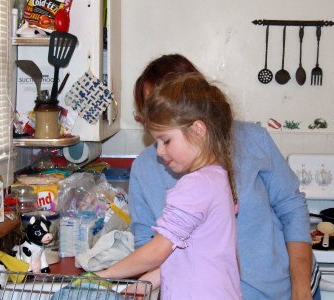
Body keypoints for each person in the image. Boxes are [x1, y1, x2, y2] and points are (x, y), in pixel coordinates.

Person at [129, 54, 321, 300]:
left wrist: (301, 288)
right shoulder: (145, 168)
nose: (164, 112)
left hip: (282, 290)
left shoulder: (252, 139)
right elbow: (148, 244)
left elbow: (291, 207)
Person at [97, 73, 242, 299]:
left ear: (198, 130)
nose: (159, 151)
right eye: (156, 142)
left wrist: (104, 275)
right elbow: (188, 255)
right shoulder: (218, 178)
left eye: (166, 140)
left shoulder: (196, 185)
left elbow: (157, 252)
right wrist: (146, 283)